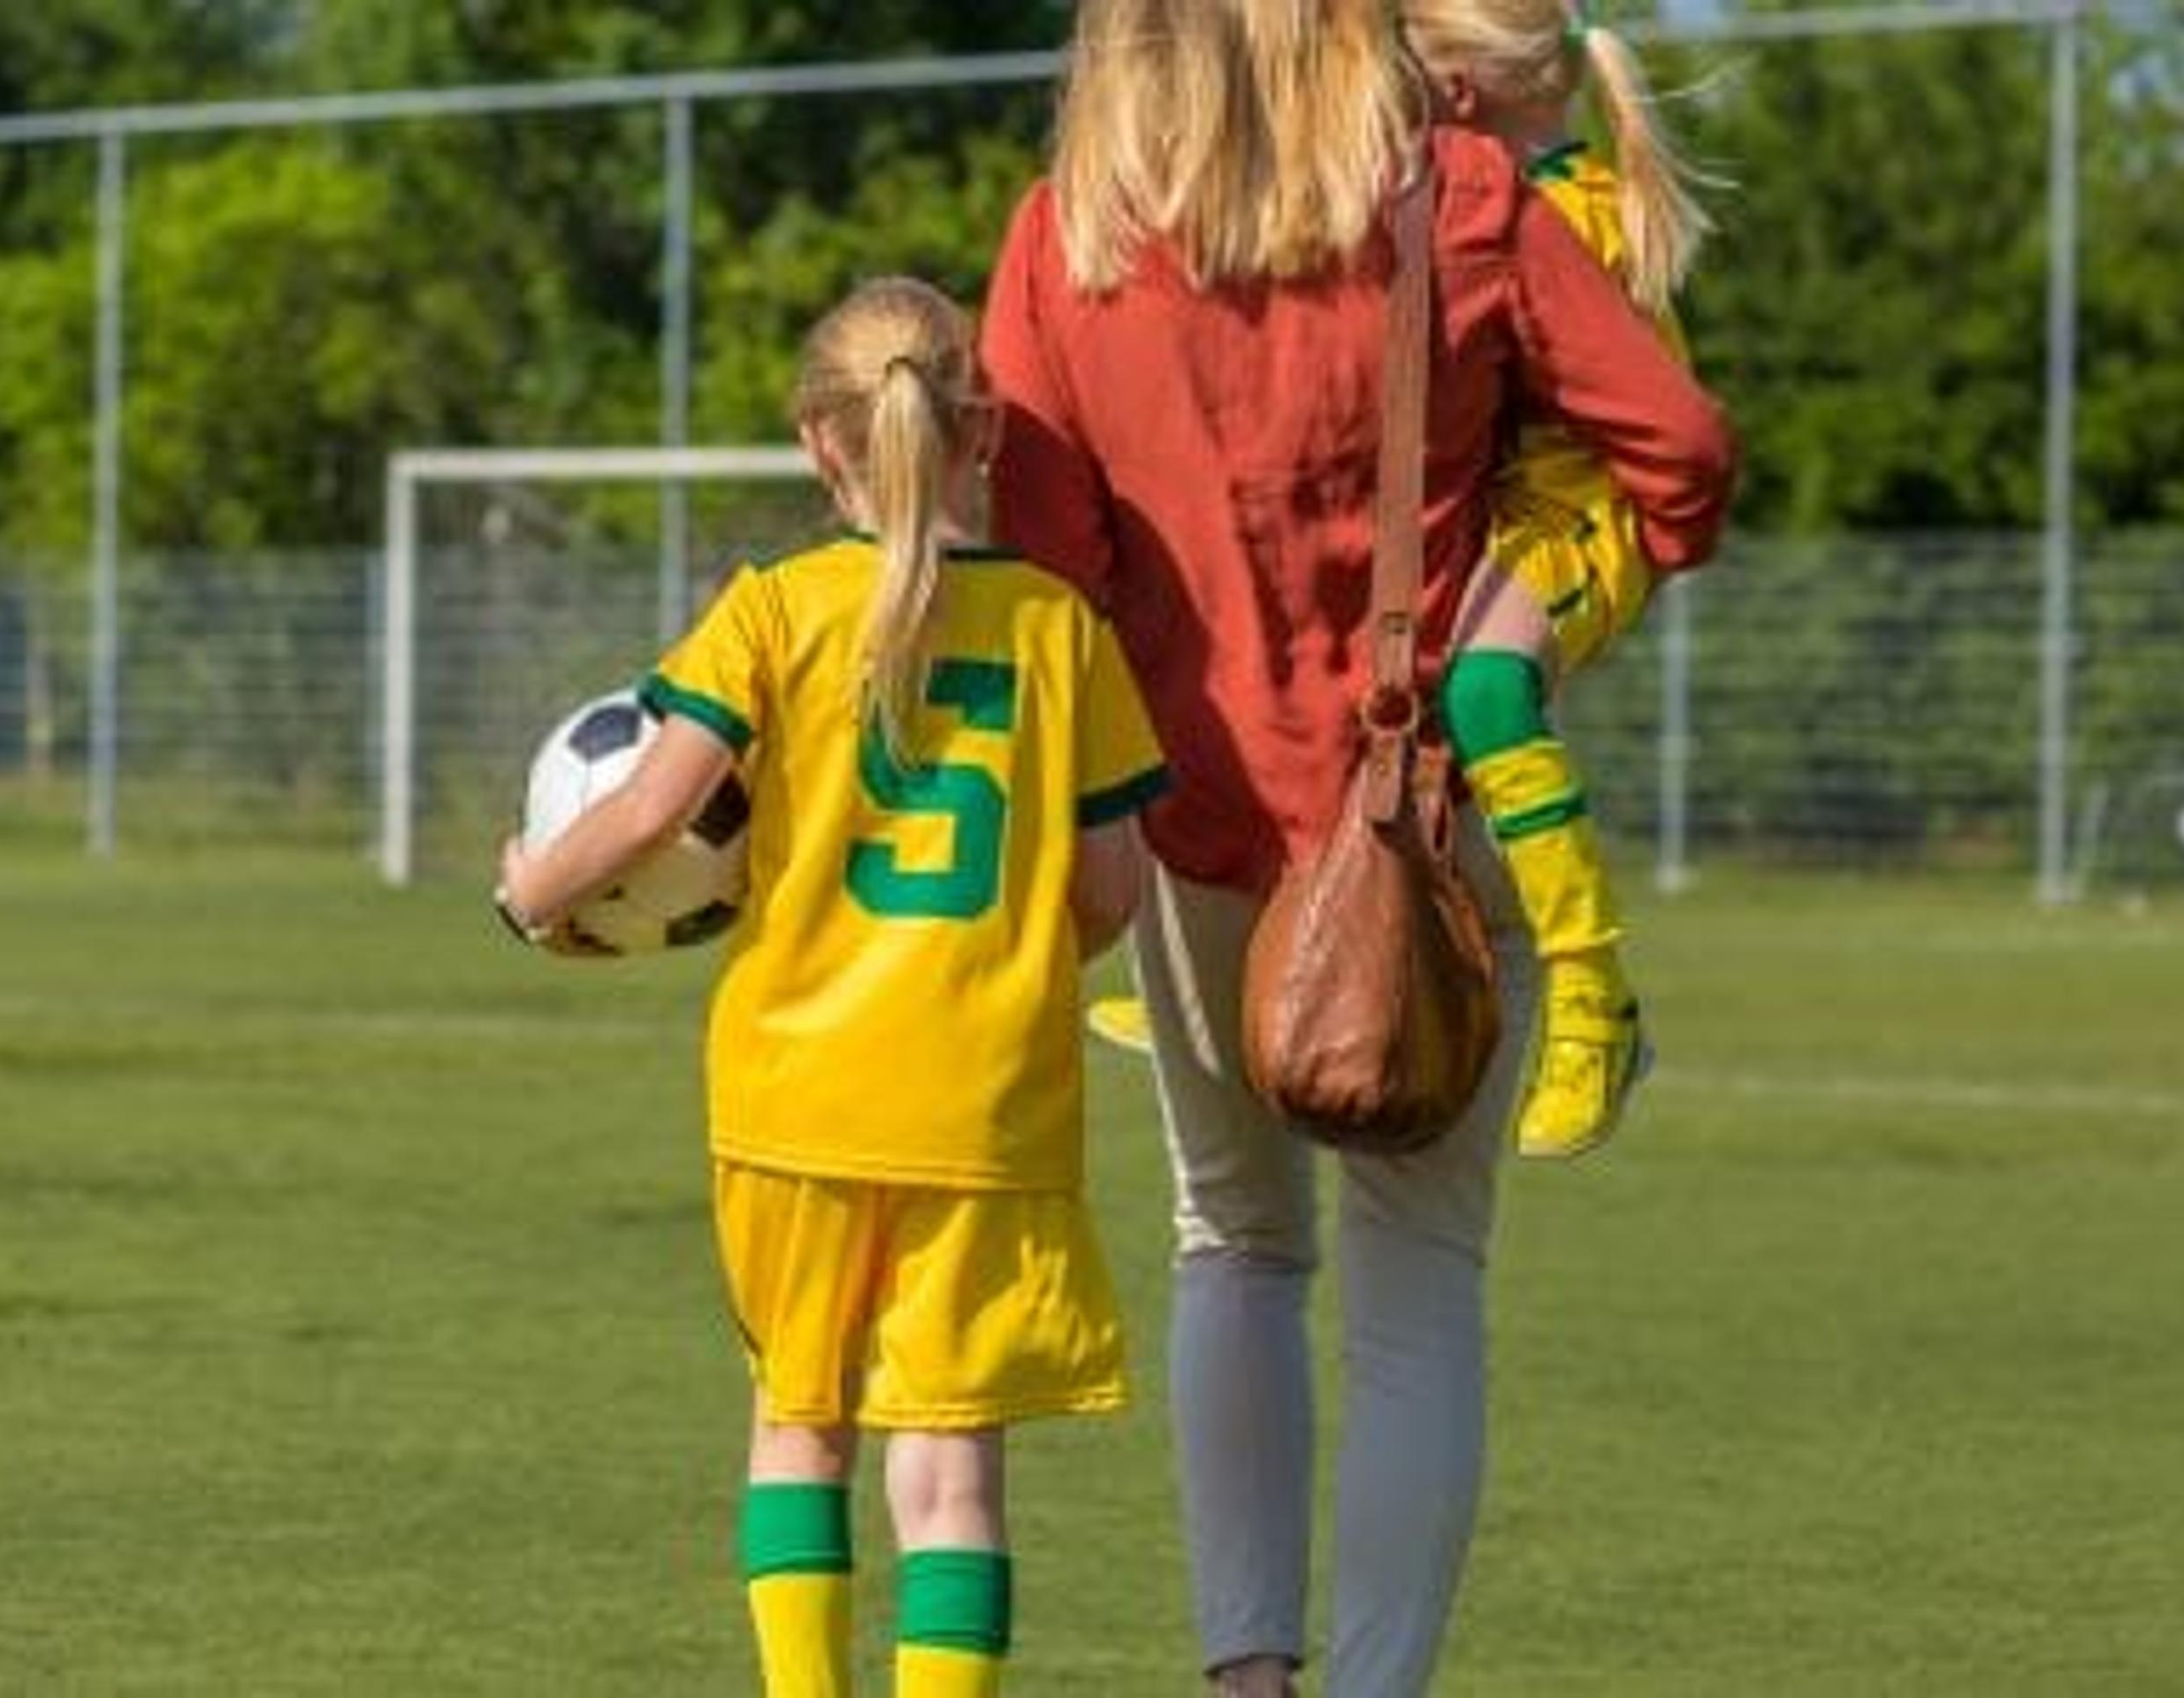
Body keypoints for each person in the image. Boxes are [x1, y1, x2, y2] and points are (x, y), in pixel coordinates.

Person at [977, 2, 1737, 1694]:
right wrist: (1531, 621)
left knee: (1232, 1247)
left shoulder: (1062, 237)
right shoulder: (1457, 196)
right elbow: (1681, 454)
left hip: (1191, 836)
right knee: (1419, 1286)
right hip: (1429, 837)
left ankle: (1248, 1676)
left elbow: (1045, 572)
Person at [496, 275, 1170, 1698]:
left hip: (796, 1103)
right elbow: (1111, 895)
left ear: (819, 441)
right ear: (983, 429)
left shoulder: (770, 612)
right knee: (953, 1478)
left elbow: (638, 818)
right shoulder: (1064, 630)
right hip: (984, 1112)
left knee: (799, 1425)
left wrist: (528, 897)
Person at [1405, 0, 1718, 1159]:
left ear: (1461, 91)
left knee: (1486, 691)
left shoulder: (1561, 218)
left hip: (1581, 509)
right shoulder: (1465, 193)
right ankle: (1294, 955)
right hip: (1499, 504)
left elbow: (1645, 423)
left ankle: (1596, 994)